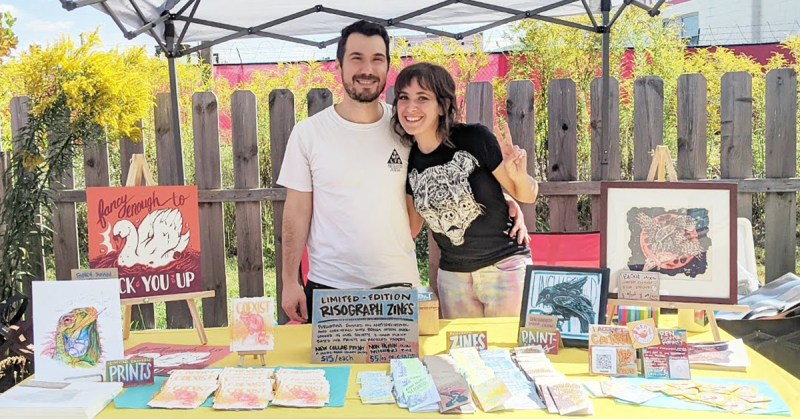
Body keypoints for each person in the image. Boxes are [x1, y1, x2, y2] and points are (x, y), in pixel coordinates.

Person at [277, 21, 528, 323]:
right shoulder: (308, 134)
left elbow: (455, 171)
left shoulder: (407, 127)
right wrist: (290, 280)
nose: (367, 69)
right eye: (356, 58)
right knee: (334, 372)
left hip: (398, 286)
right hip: (331, 288)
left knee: (401, 372)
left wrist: (505, 204)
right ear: (339, 65)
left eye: (377, 59)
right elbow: (296, 211)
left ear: (387, 67)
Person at [392, 62, 539, 319]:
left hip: (504, 267)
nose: (410, 107)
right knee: (461, 358)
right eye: (403, 97)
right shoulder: (407, 158)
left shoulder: (474, 138)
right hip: (453, 277)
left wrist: (518, 176)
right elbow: (411, 228)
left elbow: (527, 195)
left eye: (422, 98)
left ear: (443, 105)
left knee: (510, 354)